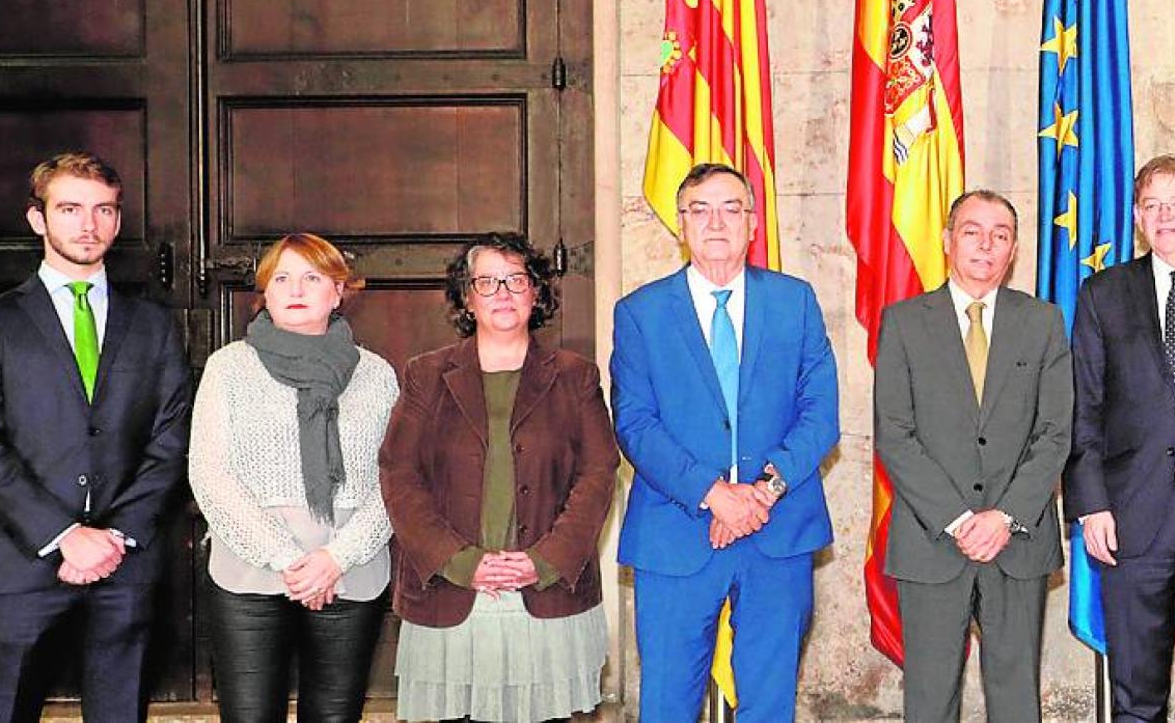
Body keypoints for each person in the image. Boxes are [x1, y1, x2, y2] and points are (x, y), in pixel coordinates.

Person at [610, 163, 839, 723]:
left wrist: (761, 492)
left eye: (731, 208)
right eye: (700, 210)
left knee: (769, 704)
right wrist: (714, 494)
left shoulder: (796, 301)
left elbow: (820, 415)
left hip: (777, 532)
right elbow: (635, 423)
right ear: (681, 225)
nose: (716, 222)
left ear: (753, 223)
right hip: (675, 533)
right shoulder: (639, 313)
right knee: (666, 706)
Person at [0, 152, 191, 721]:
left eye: (103, 210)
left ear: (118, 222)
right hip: (18, 561)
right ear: (37, 219)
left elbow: (171, 441)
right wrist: (63, 533)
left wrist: (115, 535)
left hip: (126, 565)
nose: (88, 224)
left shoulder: (152, 325)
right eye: (69, 209)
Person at [380, 231, 618, 723]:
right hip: (453, 592)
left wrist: (545, 561)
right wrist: (459, 561)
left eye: (515, 279)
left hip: (546, 592)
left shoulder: (576, 376)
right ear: (467, 298)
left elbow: (598, 474)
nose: (503, 293)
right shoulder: (425, 374)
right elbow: (399, 475)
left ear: (537, 292)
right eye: (487, 282)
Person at [874, 190, 1072, 722]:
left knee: (1015, 700)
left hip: (1019, 541)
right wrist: (961, 520)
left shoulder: (1045, 322)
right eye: (972, 230)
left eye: (1000, 235)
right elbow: (894, 434)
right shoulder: (903, 322)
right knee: (930, 700)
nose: (986, 244)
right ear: (946, 240)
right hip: (932, 541)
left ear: (1013, 250)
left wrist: (1004, 516)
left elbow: (1056, 433)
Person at [188, 233, 398, 722]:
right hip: (250, 571)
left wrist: (335, 558)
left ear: (337, 291)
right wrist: (288, 559)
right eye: (281, 278)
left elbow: (397, 481)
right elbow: (209, 470)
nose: (295, 289)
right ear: (265, 292)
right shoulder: (229, 368)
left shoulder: (376, 374)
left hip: (350, 570)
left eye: (312, 277)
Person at [1064, 154, 1175, 721]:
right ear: (1137, 216)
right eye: (1152, 205)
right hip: (1131, 518)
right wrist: (1091, 506)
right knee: (1135, 695)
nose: (1165, 216)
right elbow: (1082, 406)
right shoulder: (1103, 295)